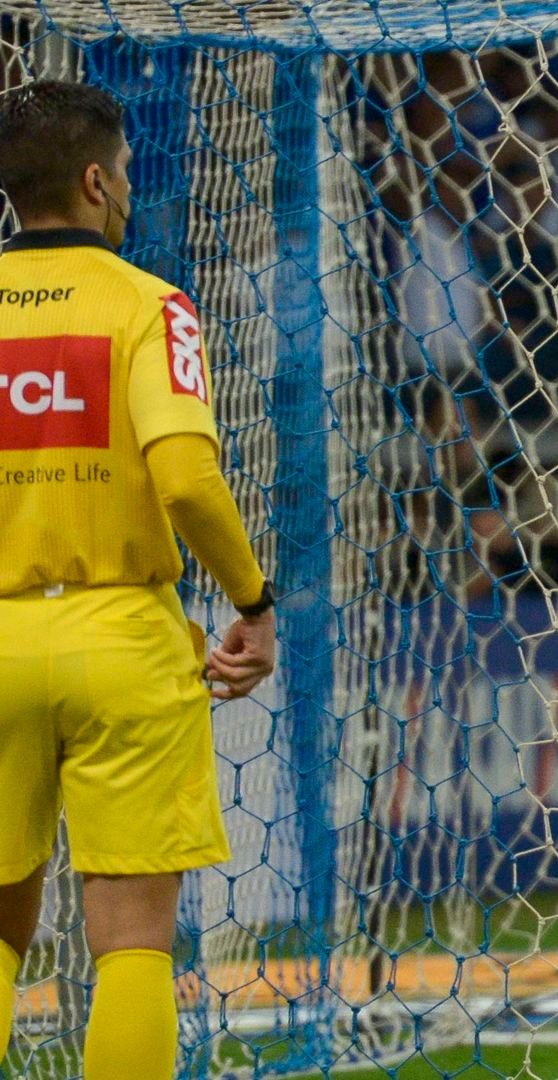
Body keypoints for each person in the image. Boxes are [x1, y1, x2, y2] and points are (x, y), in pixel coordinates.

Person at [0, 81, 276, 1074]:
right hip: (120, 638)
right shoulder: (149, 305)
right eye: (121, 173)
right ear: (93, 181)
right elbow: (189, 480)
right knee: (131, 944)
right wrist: (252, 603)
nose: (127, 190)